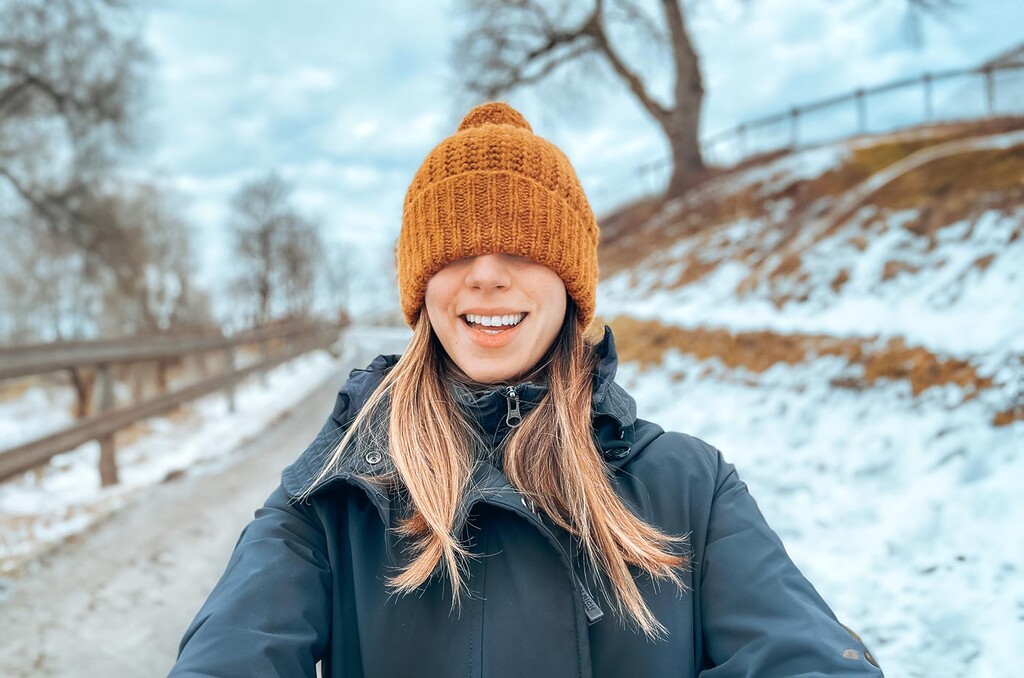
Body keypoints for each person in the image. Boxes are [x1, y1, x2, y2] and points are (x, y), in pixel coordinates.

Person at [170, 102, 883, 677]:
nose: (486, 274)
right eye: (455, 252)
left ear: (569, 285)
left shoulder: (692, 489)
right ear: (422, 287)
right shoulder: (332, 494)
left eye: (521, 248)